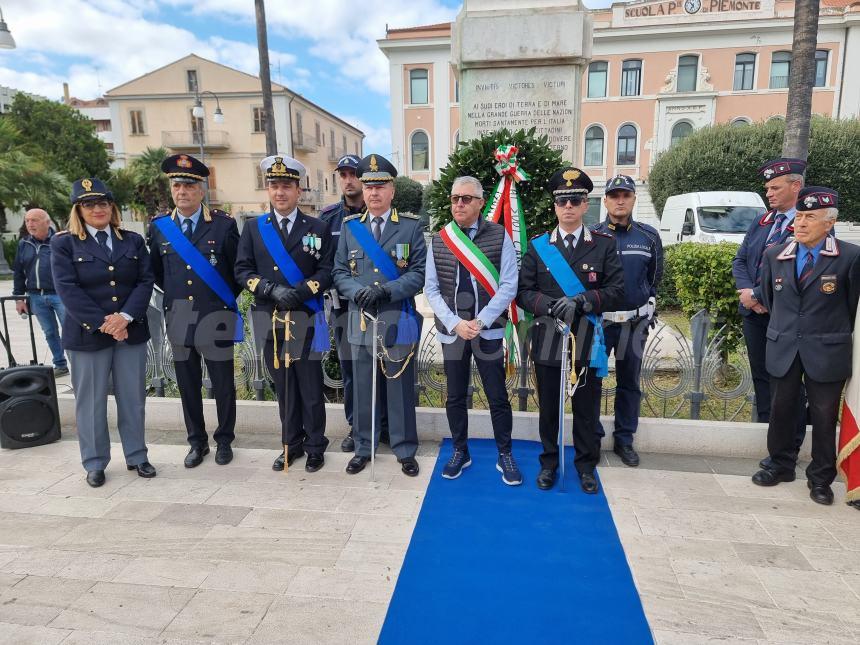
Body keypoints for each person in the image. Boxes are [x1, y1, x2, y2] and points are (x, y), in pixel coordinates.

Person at [517, 167, 624, 493]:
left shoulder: (603, 245)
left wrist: (583, 300)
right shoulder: (539, 246)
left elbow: (617, 289)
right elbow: (523, 291)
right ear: (555, 206)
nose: (568, 207)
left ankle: (586, 466)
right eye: (562, 201)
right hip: (549, 336)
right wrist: (551, 306)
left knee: (586, 407)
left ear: (585, 205)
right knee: (549, 406)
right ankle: (549, 463)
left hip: (588, 337)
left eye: (575, 200)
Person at [752, 187, 860, 506]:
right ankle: (780, 465)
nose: (800, 223)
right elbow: (772, 301)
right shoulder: (776, 254)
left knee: (824, 416)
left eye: (809, 217)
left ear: (829, 223)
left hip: (826, 350)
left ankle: (820, 479)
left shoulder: (850, 257)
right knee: (781, 408)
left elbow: (853, 306)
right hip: (784, 346)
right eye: (798, 216)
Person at [51, 179, 156, 487]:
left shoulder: (132, 240)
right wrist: (105, 323)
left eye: (103, 203)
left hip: (130, 332)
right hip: (88, 336)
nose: (97, 209)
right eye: (89, 204)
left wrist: (123, 318)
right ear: (78, 210)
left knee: (133, 399)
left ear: (112, 206)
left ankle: (137, 456)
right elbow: (67, 289)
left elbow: (144, 281)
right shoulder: (64, 243)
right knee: (91, 402)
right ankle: (95, 462)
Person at [235, 155, 333, 473]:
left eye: (287, 186)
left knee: (309, 385)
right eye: (275, 186)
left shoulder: (317, 227)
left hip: (305, 315)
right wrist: (270, 289)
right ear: (268, 190)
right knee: (284, 386)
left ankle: (316, 445)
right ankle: (291, 445)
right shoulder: (253, 228)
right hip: (269, 316)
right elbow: (242, 270)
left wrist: (302, 291)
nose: (280, 192)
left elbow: (328, 270)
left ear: (298, 190)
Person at [332, 153, 425, 477]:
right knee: (362, 388)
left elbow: (418, 274)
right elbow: (340, 270)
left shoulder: (411, 227)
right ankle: (363, 447)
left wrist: (386, 291)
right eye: (368, 186)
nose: (373, 192)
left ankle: (403, 448)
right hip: (360, 319)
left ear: (392, 190)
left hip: (396, 317)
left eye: (381, 185)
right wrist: (356, 291)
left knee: (399, 387)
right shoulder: (350, 229)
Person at [424, 176, 521, 485]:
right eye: (455, 198)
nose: (460, 204)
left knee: (497, 396)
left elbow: (509, 285)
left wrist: (479, 321)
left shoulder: (499, 235)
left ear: (480, 203)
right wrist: (455, 323)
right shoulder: (441, 238)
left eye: (466, 198)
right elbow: (431, 288)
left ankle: (504, 453)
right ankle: (460, 451)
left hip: (488, 330)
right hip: (453, 332)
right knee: (455, 395)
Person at [147, 154, 241, 468]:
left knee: (223, 383)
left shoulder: (224, 225)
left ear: (201, 190)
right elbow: (158, 273)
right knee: (187, 384)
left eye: (189, 185)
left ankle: (225, 439)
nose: (182, 191)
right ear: (171, 190)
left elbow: (235, 271)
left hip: (216, 313)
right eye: (177, 185)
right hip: (179, 316)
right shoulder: (160, 228)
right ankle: (196, 442)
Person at [733, 158, 808, 463]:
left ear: (796, 186)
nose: (770, 194)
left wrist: (758, 294)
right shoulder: (762, 222)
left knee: (789, 381)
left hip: (785, 318)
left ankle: (794, 442)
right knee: (762, 377)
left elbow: (802, 272)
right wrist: (749, 294)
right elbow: (741, 260)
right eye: (767, 188)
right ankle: (769, 436)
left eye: (775, 187)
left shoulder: (806, 222)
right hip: (754, 315)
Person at [591, 175, 662, 467]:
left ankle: (624, 440)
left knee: (629, 383)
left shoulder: (648, 236)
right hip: (598, 325)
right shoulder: (592, 235)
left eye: (626, 195)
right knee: (590, 383)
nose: (620, 201)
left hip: (633, 325)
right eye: (614, 195)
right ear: (605, 200)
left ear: (634, 199)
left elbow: (654, 277)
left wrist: (647, 308)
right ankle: (591, 439)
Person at [321, 154, 389, 452]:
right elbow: (327, 266)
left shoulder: (384, 213)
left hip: (385, 309)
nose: (349, 180)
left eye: (353, 175)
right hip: (346, 309)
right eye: (343, 175)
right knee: (352, 371)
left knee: (387, 369)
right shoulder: (328, 219)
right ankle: (357, 426)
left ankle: (385, 425)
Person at [12, 208, 68, 376]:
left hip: (61, 295)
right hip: (36, 296)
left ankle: (78, 364)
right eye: (27, 220)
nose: (30, 224)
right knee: (49, 332)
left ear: (47, 222)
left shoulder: (60, 241)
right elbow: (18, 272)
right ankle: (60, 364)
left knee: (70, 330)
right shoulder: (24, 243)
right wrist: (19, 299)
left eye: (34, 220)